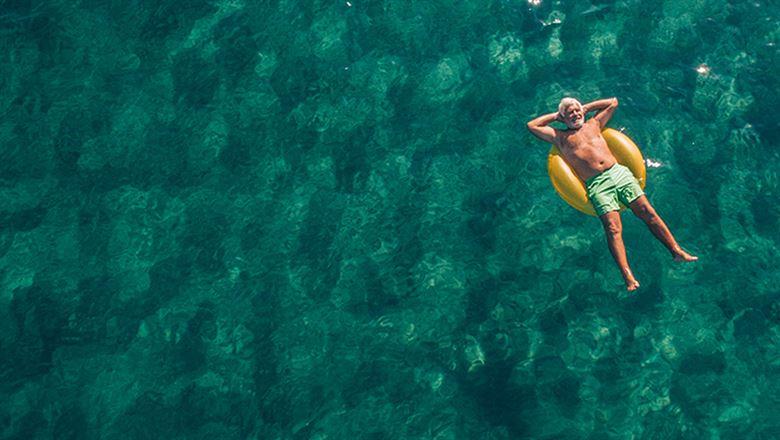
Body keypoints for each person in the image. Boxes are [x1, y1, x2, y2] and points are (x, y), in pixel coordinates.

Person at [526, 97, 697, 291]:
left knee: (648, 213)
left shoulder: (594, 123)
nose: (575, 114)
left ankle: (676, 251)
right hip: (597, 185)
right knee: (613, 229)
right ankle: (628, 276)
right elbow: (532, 125)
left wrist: (585, 107)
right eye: (570, 113)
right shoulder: (559, 137)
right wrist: (557, 116)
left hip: (619, 173)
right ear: (563, 119)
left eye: (576, 111)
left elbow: (613, 103)